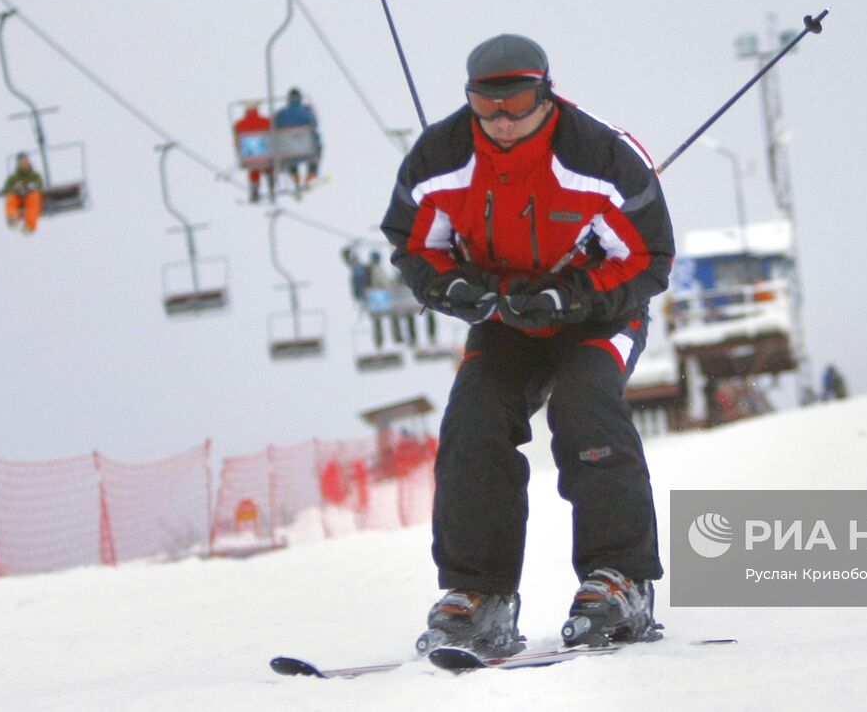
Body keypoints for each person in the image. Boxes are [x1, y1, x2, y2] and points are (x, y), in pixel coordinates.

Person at [381, 34, 673, 657]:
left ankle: (619, 578)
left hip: (600, 314)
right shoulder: (442, 157)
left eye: (517, 102)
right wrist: (457, 289)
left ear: (546, 92)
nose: (503, 121)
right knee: (473, 421)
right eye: (486, 107)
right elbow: (414, 245)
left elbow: (648, 258)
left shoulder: (599, 157)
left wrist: (573, 298)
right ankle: (479, 595)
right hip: (505, 315)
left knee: (583, 403)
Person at [274, 87, 322, 190]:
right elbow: (315, 125)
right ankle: (312, 173)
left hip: (289, 153)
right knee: (318, 145)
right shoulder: (306, 112)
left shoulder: (281, 114)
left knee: (286, 147)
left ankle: (295, 176)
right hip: (307, 150)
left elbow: (273, 127)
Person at [232, 104, 273, 203]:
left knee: (254, 169)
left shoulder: (239, 124)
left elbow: (237, 140)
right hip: (265, 152)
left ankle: (254, 192)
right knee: (269, 166)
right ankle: (272, 187)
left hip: (249, 154)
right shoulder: (266, 121)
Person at [0, 153, 44, 234]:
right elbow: (7, 188)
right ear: (19, 164)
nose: (25, 163)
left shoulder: (34, 175)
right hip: (18, 197)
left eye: (26, 161)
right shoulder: (13, 178)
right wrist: (14, 189)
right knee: (11, 198)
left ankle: (29, 225)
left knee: (34, 199)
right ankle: (12, 218)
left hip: (30, 196)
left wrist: (30, 187)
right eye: (22, 162)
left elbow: (39, 184)